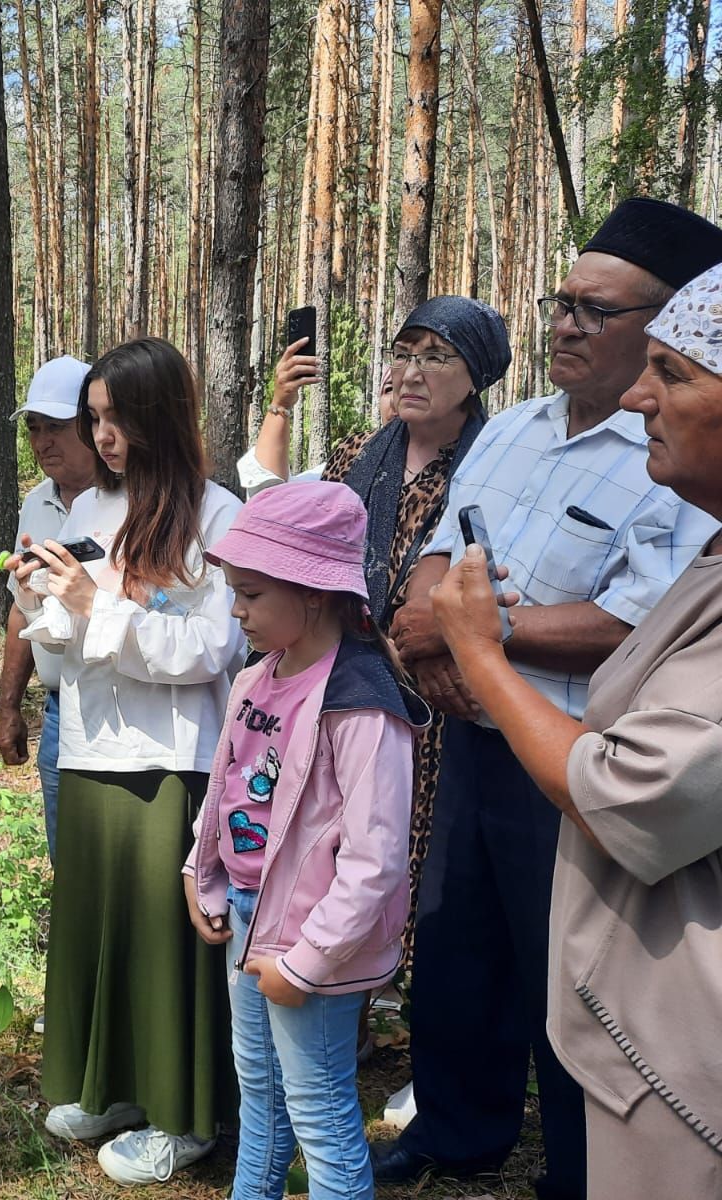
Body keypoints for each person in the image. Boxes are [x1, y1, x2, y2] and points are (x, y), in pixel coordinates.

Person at [373, 198, 722, 1197]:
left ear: (664, 327)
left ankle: (583, 1168)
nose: (564, 324)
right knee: (454, 947)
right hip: (476, 733)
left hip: (581, 755)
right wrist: (433, 623)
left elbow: (633, 619)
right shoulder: (516, 426)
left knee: (570, 974)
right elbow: (441, 550)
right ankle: (455, 1129)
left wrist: (476, 635)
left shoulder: (672, 460)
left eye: (596, 311)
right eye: (559, 302)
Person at [7, 337, 242, 1185]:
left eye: (117, 419)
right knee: (103, 929)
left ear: (161, 415)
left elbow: (211, 649)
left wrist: (95, 606)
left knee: (164, 943)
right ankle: (111, 1085)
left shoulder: (217, 517)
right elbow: (71, 656)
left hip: (173, 758)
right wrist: (46, 606)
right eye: (95, 419)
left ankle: (183, 1117)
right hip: (94, 749)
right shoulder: (90, 514)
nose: (103, 437)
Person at [249, 299, 511, 986]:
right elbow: (302, 543)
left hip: (439, 704)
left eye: (437, 355)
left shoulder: (496, 467)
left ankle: (413, 1002)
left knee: (417, 862)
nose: (413, 370)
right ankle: (337, 989)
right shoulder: (359, 456)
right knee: (331, 844)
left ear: (475, 372)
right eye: (404, 352)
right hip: (347, 693)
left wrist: (432, 644)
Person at [187, 481, 429, 1200]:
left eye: (252, 595)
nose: (237, 611)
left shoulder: (360, 703)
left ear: (316, 593)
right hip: (248, 913)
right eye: (235, 591)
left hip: (313, 942)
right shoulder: (255, 680)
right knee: (257, 1091)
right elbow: (224, 785)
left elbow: (376, 857)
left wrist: (308, 963)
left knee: (320, 1111)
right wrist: (198, 875)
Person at [0, 355, 103, 860]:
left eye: (56, 427)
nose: (42, 442)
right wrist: (10, 707)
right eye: (34, 428)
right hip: (62, 712)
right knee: (69, 860)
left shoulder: (133, 500)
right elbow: (24, 609)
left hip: (124, 707)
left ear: (93, 423)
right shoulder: (36, 503)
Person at [236, 360, 395, 495]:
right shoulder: (350, 455)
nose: (397, 400)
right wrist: (281, 404)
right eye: (389, 389)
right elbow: (273, 495)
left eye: (410, 388)